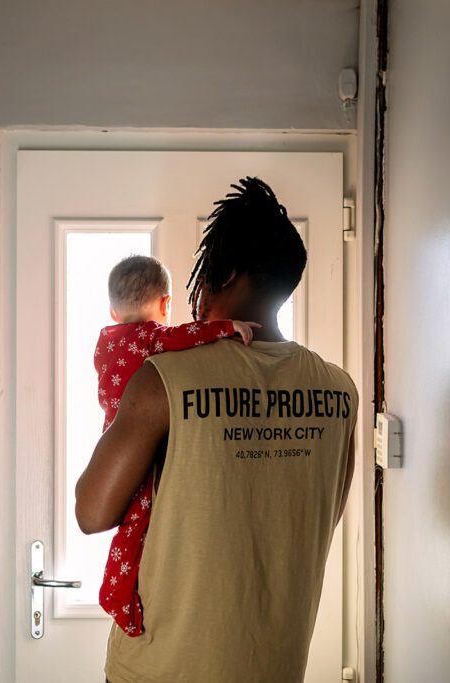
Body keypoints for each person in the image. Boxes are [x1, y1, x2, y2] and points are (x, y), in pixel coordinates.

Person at [76, 178, 359, 683]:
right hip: (277, 667)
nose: (196, 298)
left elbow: (92, 512)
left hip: (162, 670)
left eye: (203, 278)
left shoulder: (164, 378)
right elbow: (313, 517)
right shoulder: (340, 392)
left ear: (223, 274)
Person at [93, 254, 259, 636]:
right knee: (139, 518)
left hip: (112, 440)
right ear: (166, 304)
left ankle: (121, 591)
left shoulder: (106, 340)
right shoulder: (152, 337)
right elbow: (185, 336)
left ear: (112, 311)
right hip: (143, 446)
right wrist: (227, 327)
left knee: (132, 519)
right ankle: (117, 595)